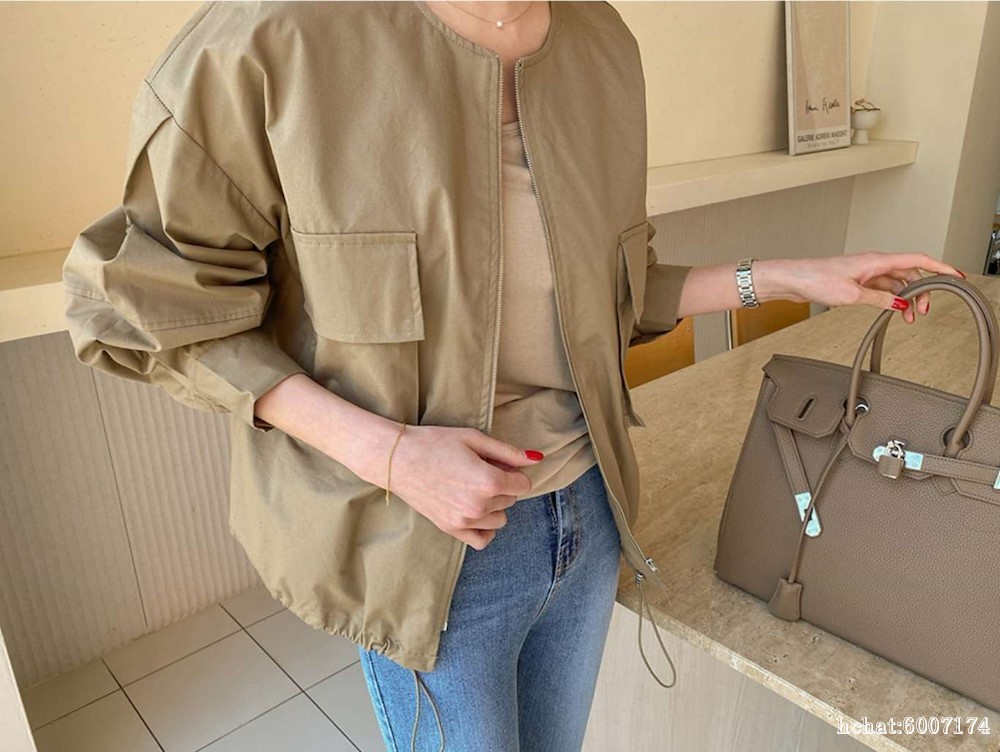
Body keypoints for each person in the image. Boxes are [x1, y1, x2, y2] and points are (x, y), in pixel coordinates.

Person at [61, 2, 966, 750]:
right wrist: (393, 455)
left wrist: (796, 276)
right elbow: (152, 306)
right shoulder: (272, 37)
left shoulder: (601, 42)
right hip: (421, 543)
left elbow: (607, 296)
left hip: (589, 513)